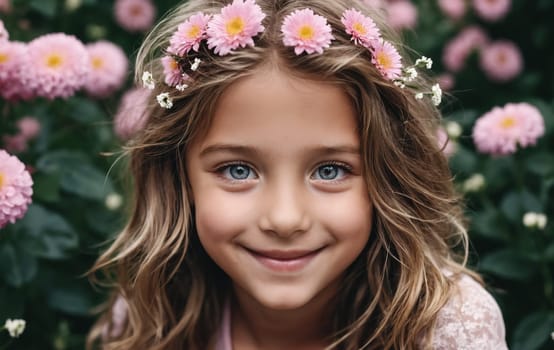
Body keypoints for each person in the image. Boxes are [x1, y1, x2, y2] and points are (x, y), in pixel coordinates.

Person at [87, 0, 508, 349]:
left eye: (330, 170)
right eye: (238, 170)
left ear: (389, 175)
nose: (285, 219)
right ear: (178, 178)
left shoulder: (449, 330)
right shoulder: (153, 315)